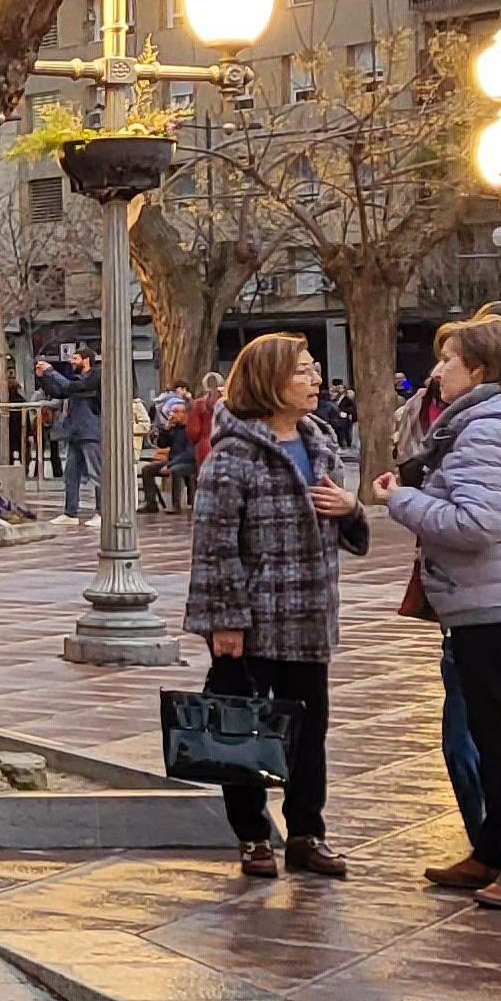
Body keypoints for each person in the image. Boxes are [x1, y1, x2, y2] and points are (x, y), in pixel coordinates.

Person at [379, 315, 501, 910]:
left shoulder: (486, 432)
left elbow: (476, 525)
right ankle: (494, 850)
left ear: (482, 371)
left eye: (448, 361)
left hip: (499, 603)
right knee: (496, 732)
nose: (436, 371)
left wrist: (401, 500)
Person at [186, 334, 366, 879]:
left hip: (309, 615)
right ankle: (251, 835)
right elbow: (214, 545)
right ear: (269, 382)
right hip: (252, 618)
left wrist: (352, 508)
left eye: (314, 370)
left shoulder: (321, 442)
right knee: (242, 727)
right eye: (302, 372)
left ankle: (307, 832)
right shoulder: (233, 454)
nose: (314, 380)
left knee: (310, 730)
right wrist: (226, 621)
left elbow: (346, 528)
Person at [38, 345, 104, 519]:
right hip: (75, 431)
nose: (71, 361)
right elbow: (60, 392)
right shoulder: (78, 379)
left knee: (96, 473)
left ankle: (102, 512)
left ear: (86, 360)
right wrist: (44, 377)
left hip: (91, 431)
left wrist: (51, 371)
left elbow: (73, 387)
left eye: (75, 358)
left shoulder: (96, 376)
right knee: (71, 474)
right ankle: (70, 513)